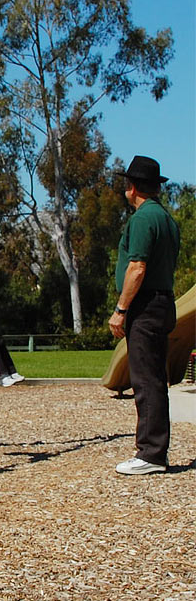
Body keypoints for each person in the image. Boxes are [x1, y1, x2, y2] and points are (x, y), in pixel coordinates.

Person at [109, 155, 180, 476]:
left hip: (145, 306)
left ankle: (151, 454)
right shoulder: (166, 219)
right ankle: (154, 449)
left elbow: (137, 268)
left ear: (132, 186)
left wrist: (121, 309)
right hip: (165, 301)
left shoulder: (141, 220)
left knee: (145, 379)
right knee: (155, 378)